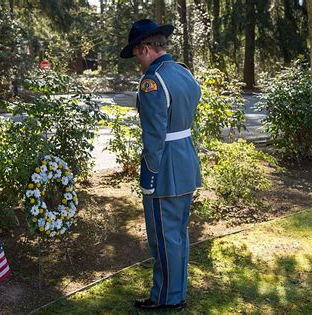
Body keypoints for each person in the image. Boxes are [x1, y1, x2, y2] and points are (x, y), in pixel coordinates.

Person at [120, 19, 202, 310]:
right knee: (178, 234)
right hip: (186, 162)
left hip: (165, 169)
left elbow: (154, 137)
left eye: (136, 57)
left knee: (163, 239)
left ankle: (166, 297)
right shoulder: (182, 72)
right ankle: (176, 291)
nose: (137, 64)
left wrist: (149, 174)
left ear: (144, 49)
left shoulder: (152, 81)